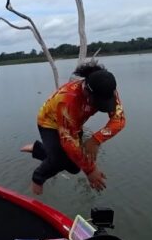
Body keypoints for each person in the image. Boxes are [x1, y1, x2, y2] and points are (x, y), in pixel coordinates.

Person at [21, 62, 125, 195]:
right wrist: (90, 170)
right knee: (59, 161)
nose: (101, 106)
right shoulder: (68, 100)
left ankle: (39, 149)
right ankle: (37, 177)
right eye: (98, 103)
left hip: (73, 124)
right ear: (87, 92)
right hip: (49, 122)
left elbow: (120, 120)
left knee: (75, 167)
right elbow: (68, 142)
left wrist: (96, 139)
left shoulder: (106, 89)